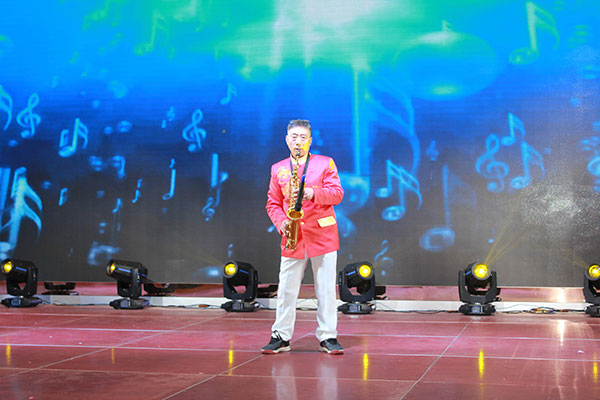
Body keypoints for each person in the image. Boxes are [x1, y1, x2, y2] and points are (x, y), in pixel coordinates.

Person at [262, 119, 344, 355]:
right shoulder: (277, 168)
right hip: (293, 236)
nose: (298, 142)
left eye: (302, 137)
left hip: (322, 234)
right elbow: (273, 203)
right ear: (286, 140)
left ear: (310, 140)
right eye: (294, 137)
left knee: (325, 289)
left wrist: (311, 193)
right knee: (286, 290)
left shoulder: (325, 163)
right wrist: (282, 223)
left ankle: (328, 336)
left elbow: (337, 194)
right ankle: (281, 336)